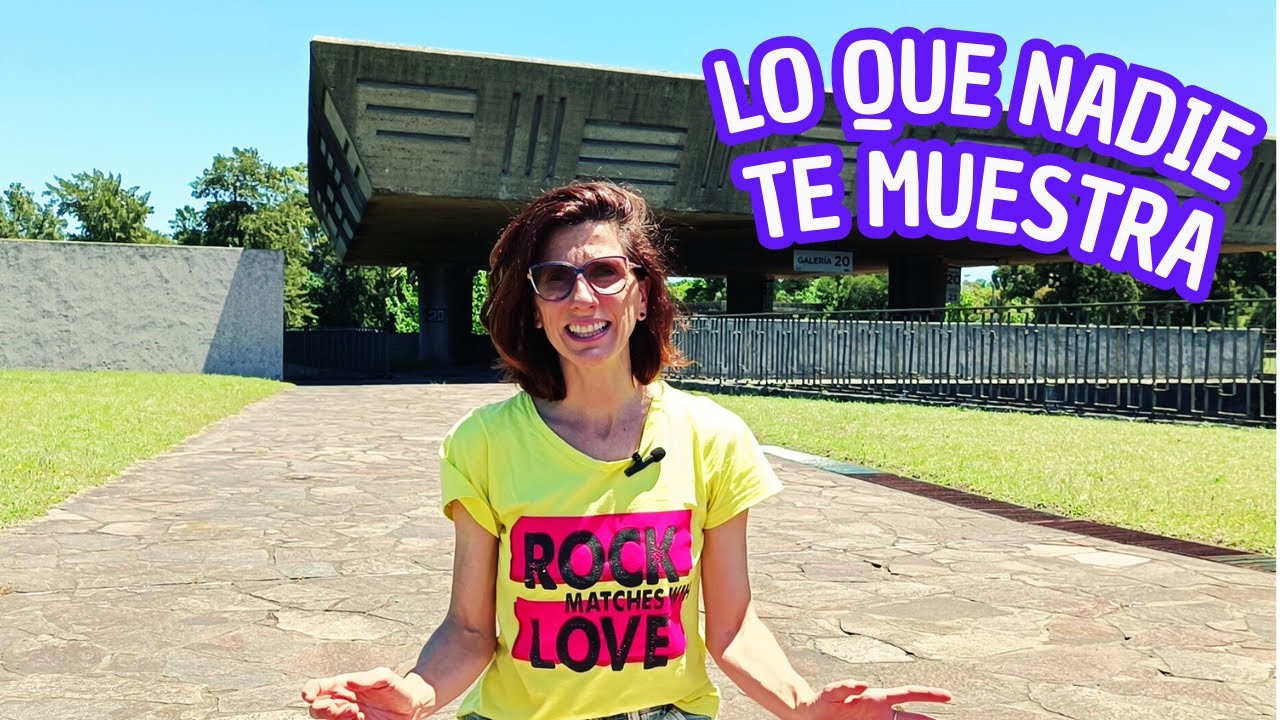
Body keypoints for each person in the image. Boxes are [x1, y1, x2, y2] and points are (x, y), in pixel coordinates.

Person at [301, 182, 952, 720]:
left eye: (606, 273)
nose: (582, 297)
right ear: (533, 309)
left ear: (642, 294)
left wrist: (802, 703)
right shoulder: (484, 444)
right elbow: (471, 630)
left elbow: (730, 624)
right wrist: (413, 697)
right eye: (555, 279)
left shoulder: (712, 438)